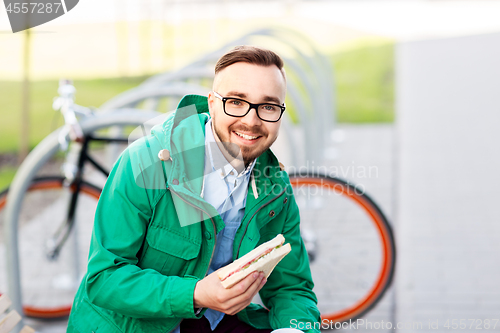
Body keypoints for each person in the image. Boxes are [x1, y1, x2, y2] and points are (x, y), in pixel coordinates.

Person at [67, 46, 320, 333]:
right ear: (212, 103)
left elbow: (292, 288)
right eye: (236, 102)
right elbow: (104, 279)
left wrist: (295, 329)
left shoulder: (275, 187)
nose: (251, 120)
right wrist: (197, 293)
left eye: (268, 107)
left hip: (216, 320)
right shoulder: (145, 162)